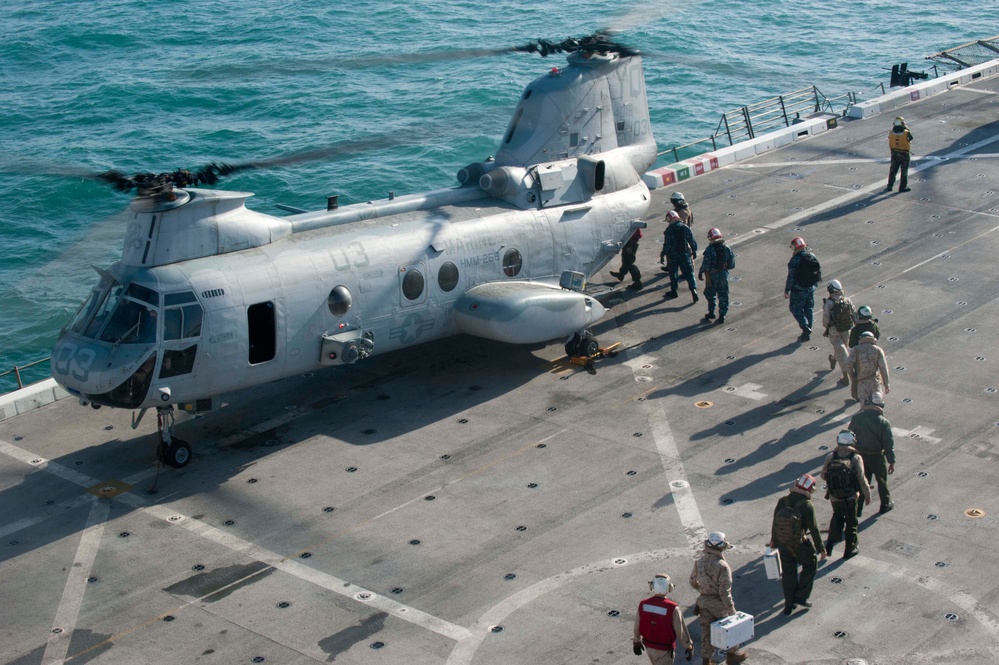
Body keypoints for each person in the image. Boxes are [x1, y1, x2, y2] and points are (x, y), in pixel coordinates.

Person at [769, 474, 827, 615]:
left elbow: (775, 522)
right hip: (800, 544)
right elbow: (813, 529)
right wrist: (821, 549)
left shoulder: (783, 501)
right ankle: (801, 596)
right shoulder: (807, 505)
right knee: (811, 564)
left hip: (783, 543)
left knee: (788, 574)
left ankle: (789, 605)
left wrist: (774, 540)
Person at [689, 532, 746, 665]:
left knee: (706, 632)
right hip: (719, 605)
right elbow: (724, 592)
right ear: (722, 546)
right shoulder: (722, 566)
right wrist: (731, 609)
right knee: (729, 629)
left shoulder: (699, 563)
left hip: (703, 602)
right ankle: (731, 656)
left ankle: (706, 660)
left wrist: (703, 590)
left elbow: (692, 581)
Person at [821, 431, 871, 559]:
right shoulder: (855, 458)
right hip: (850, 497)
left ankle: (829, 546)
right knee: (851, 522)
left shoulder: (831, 456)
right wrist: (867, 494)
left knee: (837, 518)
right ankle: (850, 549)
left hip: (834, 496)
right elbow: (861, 478)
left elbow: (823, 475)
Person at [848, 391, 896, 515]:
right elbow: (888, 444)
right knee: (882, 481)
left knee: (862, 482)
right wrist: (891, 461)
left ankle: (857, 509)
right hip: (877, 457)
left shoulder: (856, 418)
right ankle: (885, 504)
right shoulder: (883, 422)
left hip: (860, 456)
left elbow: (848, 436)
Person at [633, 573, 694, 664]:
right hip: (664, 650)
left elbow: (637, 625)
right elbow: (681, 631)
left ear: (652, 586)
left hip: (649, 647)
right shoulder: (673, 609)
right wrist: (689, 646)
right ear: (669, 588)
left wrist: (636, 641)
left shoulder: (644, 604)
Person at [784, 237, 820, 341]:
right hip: (811, 288)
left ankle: (805, 326)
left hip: (799, 289)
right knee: (809, 309)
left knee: (795, 308)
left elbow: (791, 277)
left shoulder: (794, 260)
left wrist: (787, 290)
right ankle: (807, 333)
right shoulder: (812, 256)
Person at [698, 227, 735, 325]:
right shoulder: (726, 248)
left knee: (710, 293)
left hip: (712, 275)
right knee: (723, 295)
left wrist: (700, 272)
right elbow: (731, 264)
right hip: (723, 274)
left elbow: (706, 263)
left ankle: (711, 311)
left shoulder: (709, 249)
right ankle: (722, 315)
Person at [821, 280, 855, 385]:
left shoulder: (829, 303)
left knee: (842, 353)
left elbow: (826, 319)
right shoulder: (847, 300)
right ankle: (833, 359)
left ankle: (846, 376)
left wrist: (826, 327)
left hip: (834, 331)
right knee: (842, 350)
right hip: (846, 329)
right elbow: (854, 313)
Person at [662, 210, 699, 302]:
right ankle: (693, 290)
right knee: (689, 273)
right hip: (685, 254)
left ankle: (674, 291)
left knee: (673, 273)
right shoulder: (685, 227)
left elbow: (667, 245)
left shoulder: (669, 230)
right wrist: (694, 250)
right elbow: (692, 240)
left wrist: (662, 254)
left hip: (673, 256)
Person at [847, 331, 890, 404]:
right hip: (875, 381)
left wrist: (852, 376)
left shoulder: (855, 349)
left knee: (864, 404)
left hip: (861, 382)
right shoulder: (878, 350)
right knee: (877, 403)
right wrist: (886, 383)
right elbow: (883, 367)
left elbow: (848, 365)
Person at [886, 116, 913, 193]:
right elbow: (910, 138)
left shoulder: (891, 132)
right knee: (904, 170)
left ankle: (889, 186)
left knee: (893, 170)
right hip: (904, 153)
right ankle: (902, 187)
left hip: (894, 153)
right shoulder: (906, 132)